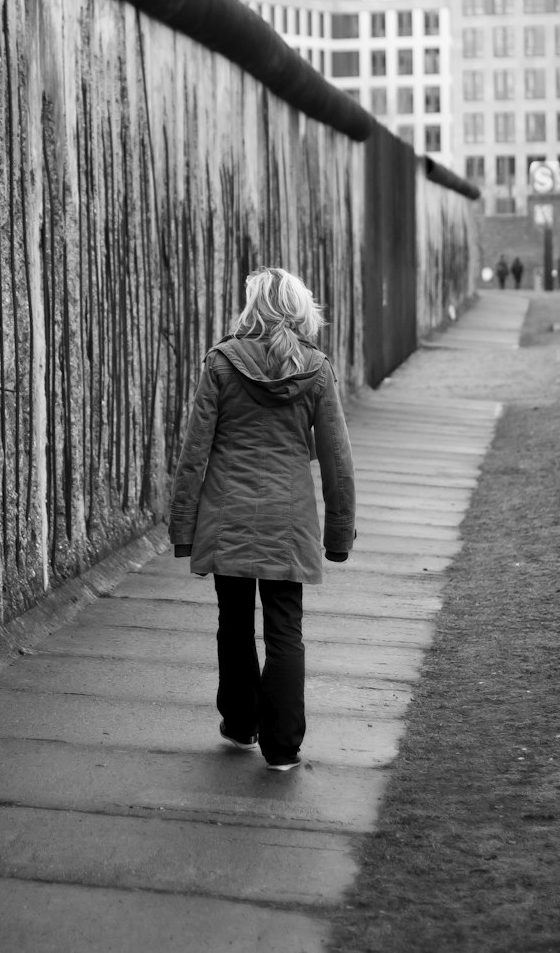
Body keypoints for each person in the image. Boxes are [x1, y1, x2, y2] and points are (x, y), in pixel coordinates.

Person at [168, 267, 356, 771]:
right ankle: (283, 747)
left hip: (227, 515)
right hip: (288, 522)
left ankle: (241, 722)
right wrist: (338, 532)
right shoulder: (315, 370)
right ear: (298, 311)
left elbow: (194, 453)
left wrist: (183, 527)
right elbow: (337, 457)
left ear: (253, 309)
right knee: (284, 630)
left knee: (233, 623)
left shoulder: (222, 363)